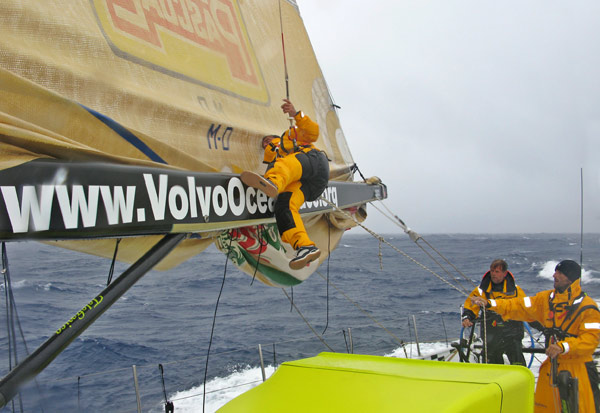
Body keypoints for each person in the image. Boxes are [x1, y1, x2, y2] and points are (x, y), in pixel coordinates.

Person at [471, 260, 600, 412]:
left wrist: (564, 346)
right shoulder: (545, 300)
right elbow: (517, 305)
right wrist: (490, 304)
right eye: (555, 272)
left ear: (570, 278)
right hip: (550, 369)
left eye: (559, 273)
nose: (554, 275)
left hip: (577, 371)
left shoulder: (588, 308)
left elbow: (590, 341)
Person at [241, 99, 329, 270]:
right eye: (264, 144)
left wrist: (296, 114)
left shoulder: (290, 136)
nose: (266, 143)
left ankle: (272, 182)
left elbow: (313, 132)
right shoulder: (274, 158)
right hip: (307, 185)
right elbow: (273, 165)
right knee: (284, 207)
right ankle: (304, 247)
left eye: (268, 140)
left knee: (284, 165)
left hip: (313, 162)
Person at [461, 259, 527, 365]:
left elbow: (525, 307)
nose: (493, 274)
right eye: (492, 271)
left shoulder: (516, 290)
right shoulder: (481, 290)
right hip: (491, 330)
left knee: (517, 358)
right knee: (492, 359)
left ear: (505, 273)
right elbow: (471, 305)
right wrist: (467, 317)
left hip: (512, 331)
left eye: (497, 272)